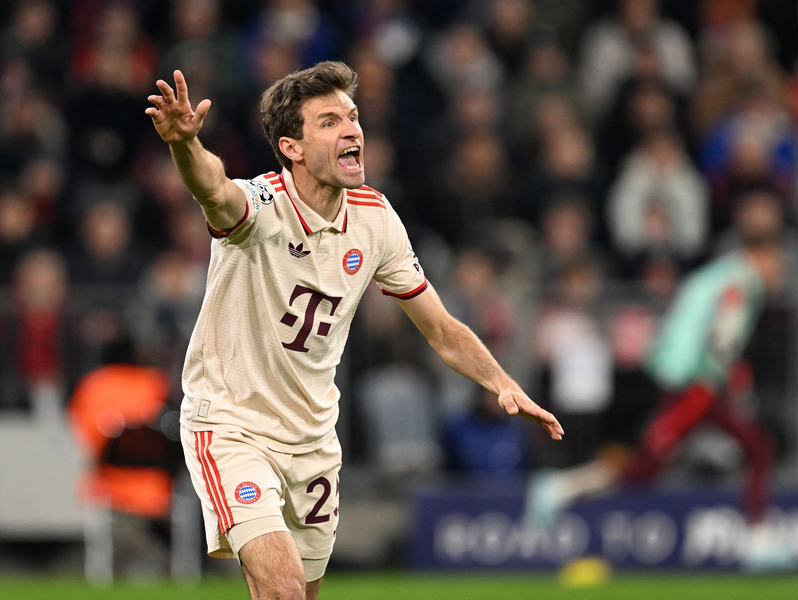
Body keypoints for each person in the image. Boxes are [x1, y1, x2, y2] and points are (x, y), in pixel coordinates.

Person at [145, 62, 563, 600]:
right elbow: (214, 189)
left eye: (353, 116)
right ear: (292, 147)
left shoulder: (376, 219)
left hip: (315, 439)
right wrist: (184, 145)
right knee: (284, 591)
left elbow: (438, 327)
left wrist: (502, 383)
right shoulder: (261, 207)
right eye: (328, 121)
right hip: (233, 426)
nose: (352, 129)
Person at [527, 233, 787, 569]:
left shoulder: (716, 275)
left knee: (754, 447)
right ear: (760, 256)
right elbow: (722, 337)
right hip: (696, 383)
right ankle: (560, 487)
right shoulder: (740, 282)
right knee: (647, 465)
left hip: (682, 377)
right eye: (776, 263)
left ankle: (758, 541)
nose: (778, 272)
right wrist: (729, 374)